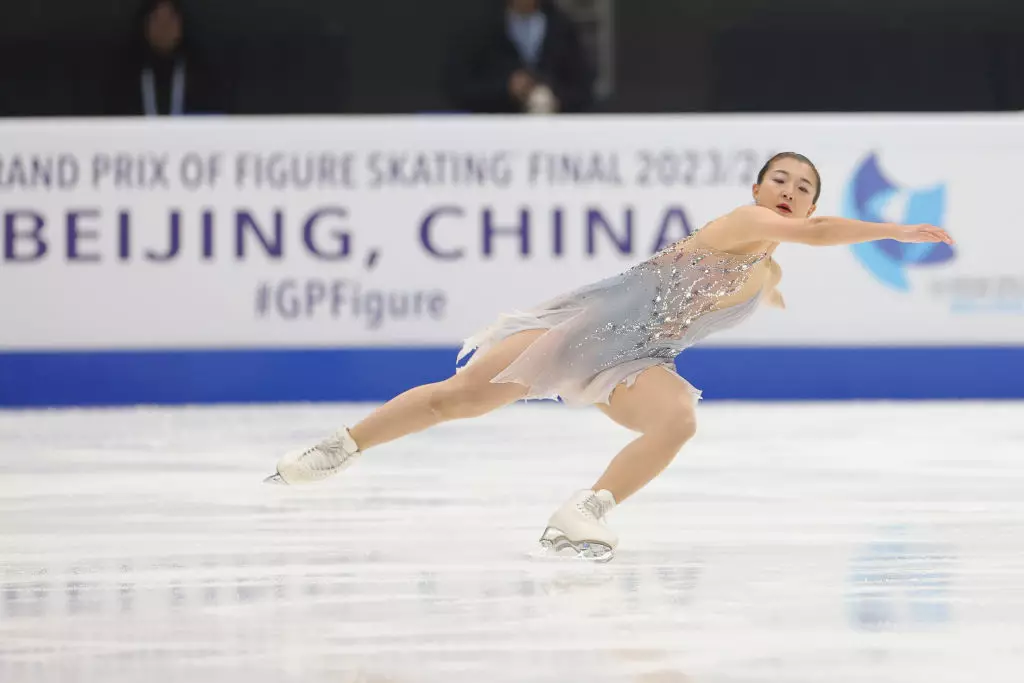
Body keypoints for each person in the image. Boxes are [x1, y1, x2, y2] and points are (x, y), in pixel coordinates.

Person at [265, 152, 953, 562]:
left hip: (640, 357)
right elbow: (823, 232)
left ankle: (585, 509)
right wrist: (896, 228)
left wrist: (761, 294)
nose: (790, 190)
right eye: (779, 179)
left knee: (679, 415)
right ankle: (342, 445)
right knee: (461, 397)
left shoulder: (769, 272)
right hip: (591, 324)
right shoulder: (741, 224)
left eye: (803, 186)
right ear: (757, 192)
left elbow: (759, 284)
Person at [443, 0, 595, 114]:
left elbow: (583, 88)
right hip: (494, 132)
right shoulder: (481, 30)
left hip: (555, 134)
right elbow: (458, 88)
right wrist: (506, 88)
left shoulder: (562, 29)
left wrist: (553, 97)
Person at [104, 0, 222, 117]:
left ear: (181, 25)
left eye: (170, 20)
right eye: (157, 20)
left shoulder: (201, 75)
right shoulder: (125, 76)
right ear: (145, 26)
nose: (164, 27)